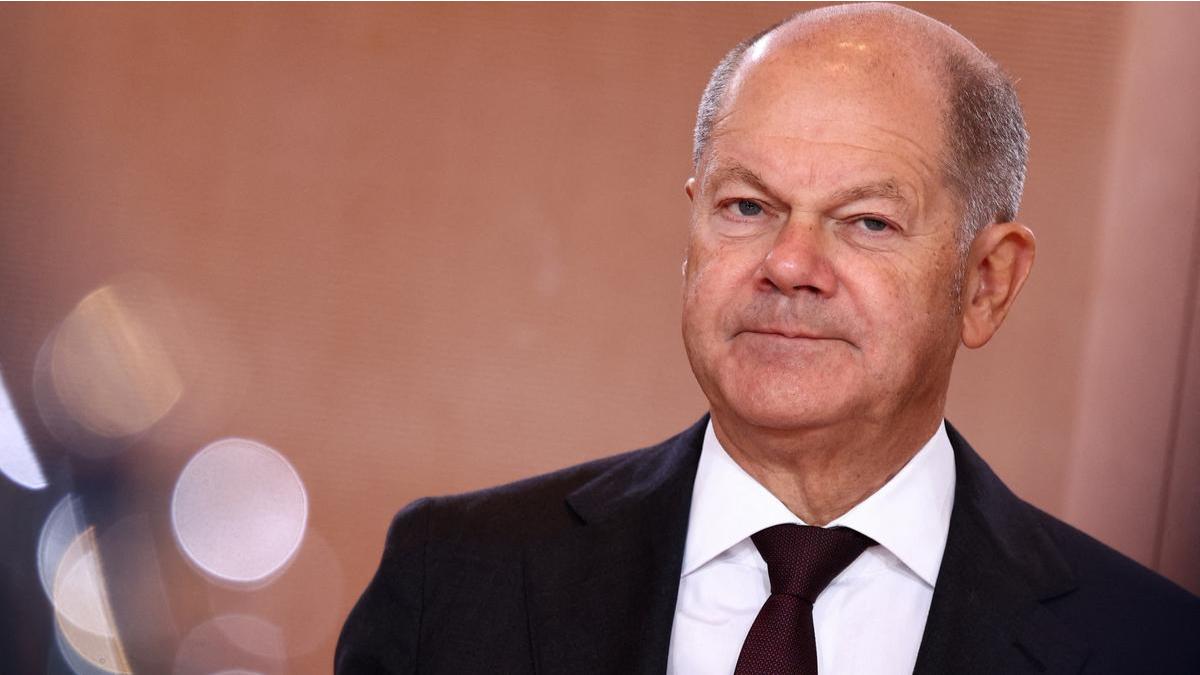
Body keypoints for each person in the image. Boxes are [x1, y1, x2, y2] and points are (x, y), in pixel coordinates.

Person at [335, 4, 1200, 674]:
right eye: (748, 206)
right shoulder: (454, 578)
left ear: (985, 282)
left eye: (867, 221)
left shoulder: (1152, 645)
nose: (788, 264)